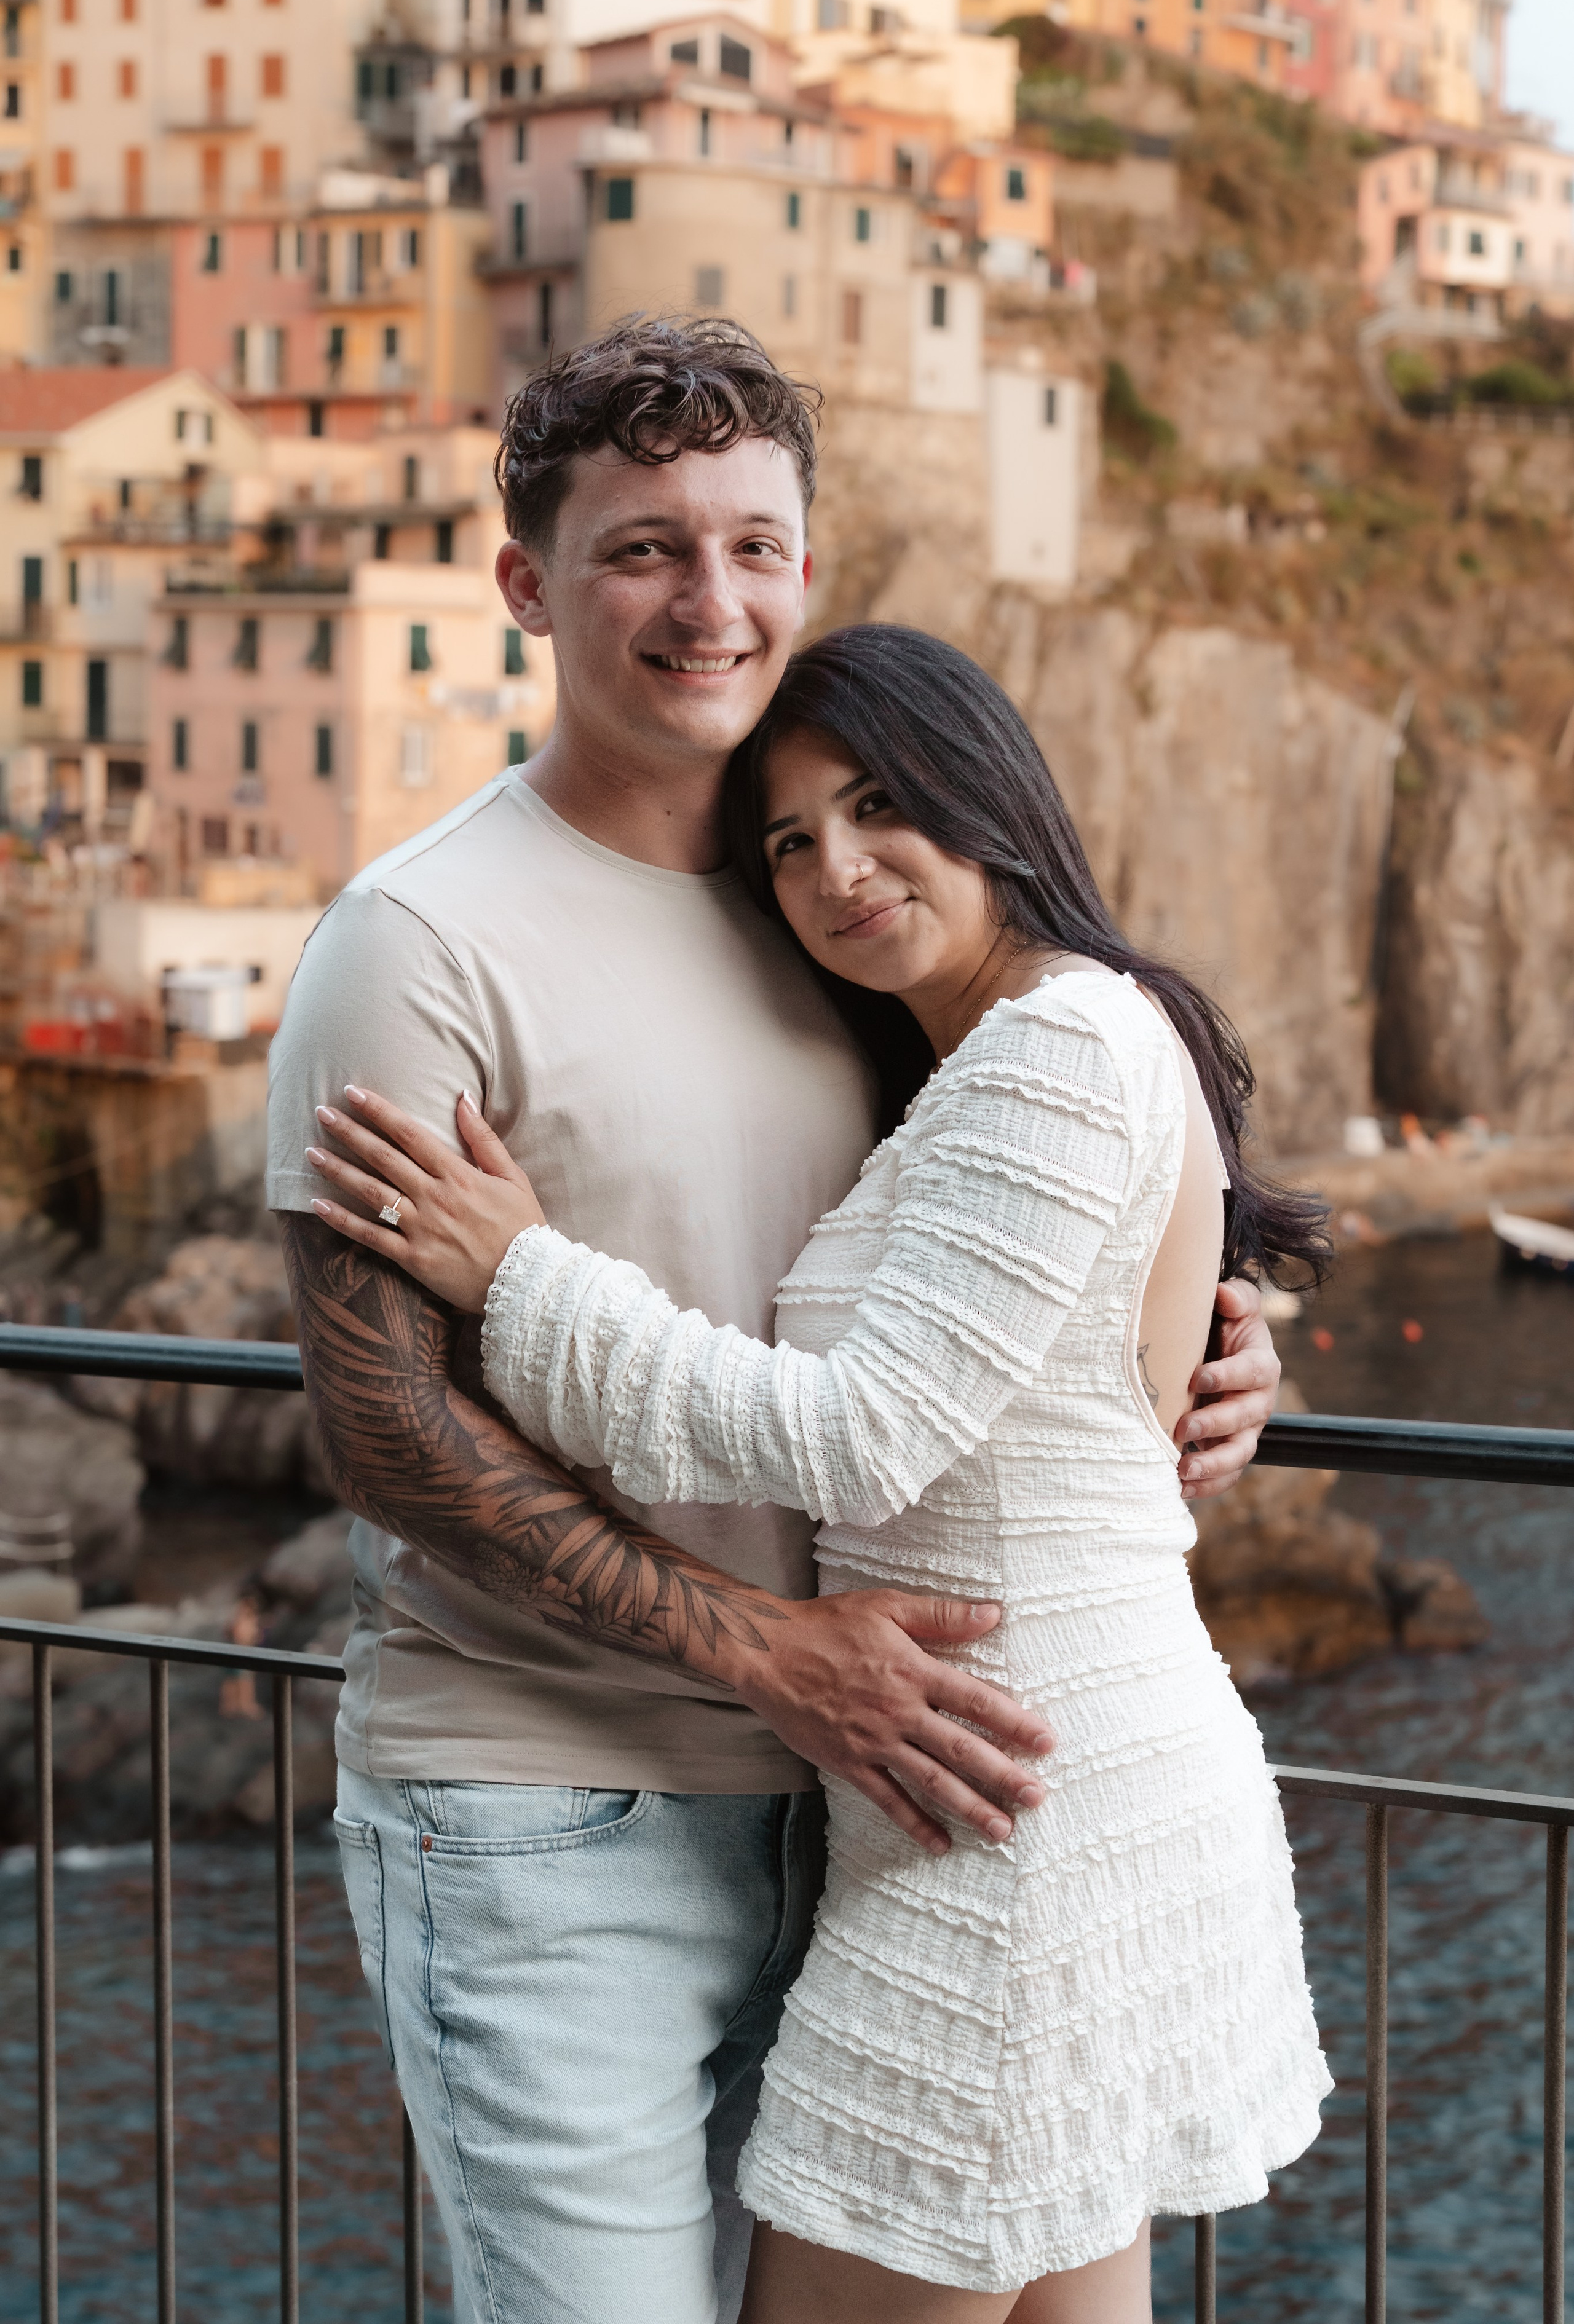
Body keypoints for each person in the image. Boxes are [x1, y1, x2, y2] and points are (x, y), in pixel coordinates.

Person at [269, 318, 1287, 2324]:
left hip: (867, 1798)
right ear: (526, 586)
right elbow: (381, 1432)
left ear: (807, 567)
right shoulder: (418, 940)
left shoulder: (833, 925)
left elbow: (987, 1246)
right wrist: (772, 1653)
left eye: (751, 542)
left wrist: (1195, 1346)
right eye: (642, 546)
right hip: (553, 1810)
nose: (705, 597)